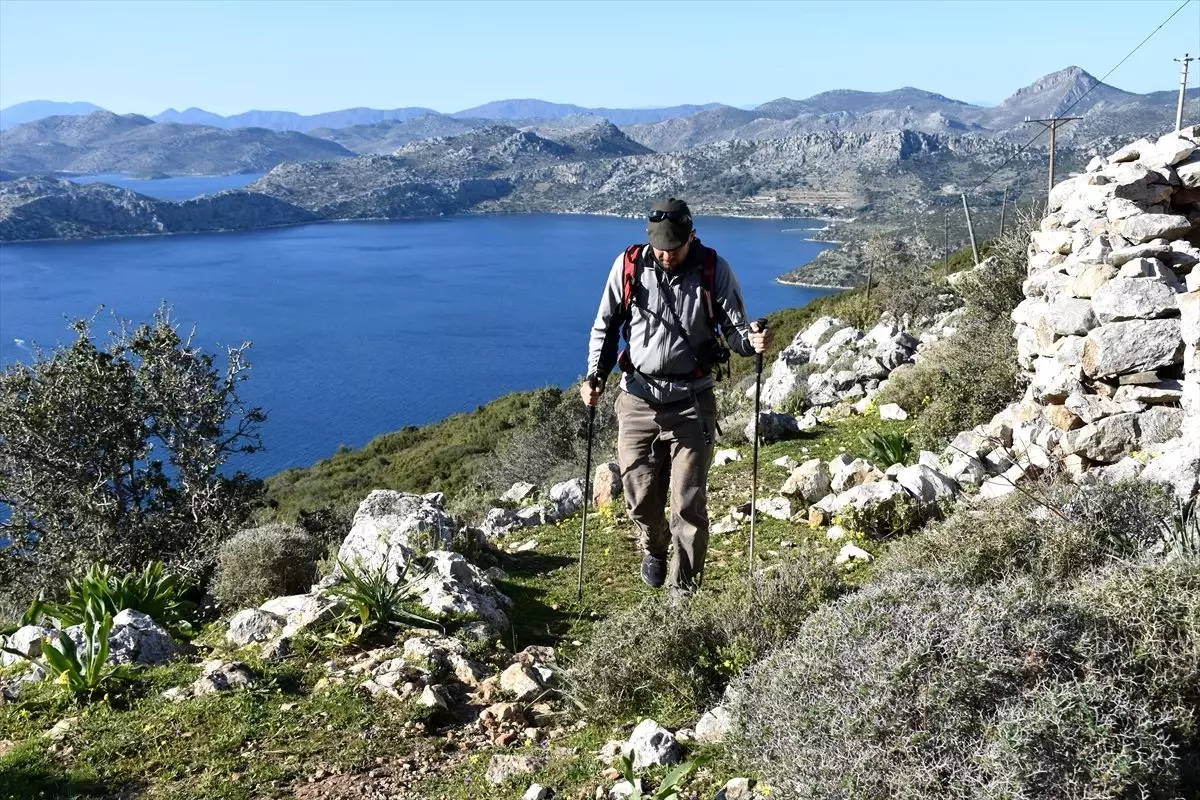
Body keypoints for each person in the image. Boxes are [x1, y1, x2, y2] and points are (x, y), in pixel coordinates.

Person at [581, 197, 772, 591]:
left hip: (692, 401)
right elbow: (606, 325)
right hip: (637, 399)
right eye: (660, 249)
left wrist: (751, 342)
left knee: (688, 502)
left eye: (675, 248)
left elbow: (734, 329)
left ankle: (682, 591)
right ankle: (654, 546)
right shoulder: (630, 266)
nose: (667, 256)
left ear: (692, 237)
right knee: (640, 498)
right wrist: (595, 376)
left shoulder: (713, 269)